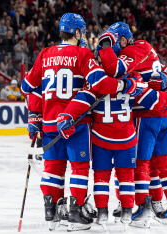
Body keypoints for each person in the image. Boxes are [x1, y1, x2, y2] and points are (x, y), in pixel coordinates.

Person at [20, 13, 144, 232]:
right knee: (79, 168)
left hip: (49, 124)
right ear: (77, 32)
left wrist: (33, 115)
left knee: (53, 169)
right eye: (82, 32)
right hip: (76, 123)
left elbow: (27, 87)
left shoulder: (44, 54)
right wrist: (124, 85)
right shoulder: (83, 54)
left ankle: (53, 213)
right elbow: (100, 83)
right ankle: (76, 213)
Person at [96, 22, 167, 227]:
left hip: (148, 113)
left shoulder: (132, 50)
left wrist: (104, 45)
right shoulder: (145, 47)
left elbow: (115, 69)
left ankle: (142, 208)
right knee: (161, 161)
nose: (114, 47)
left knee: (138, 163)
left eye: (115, 42)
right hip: (163, 110)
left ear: (123, 40)